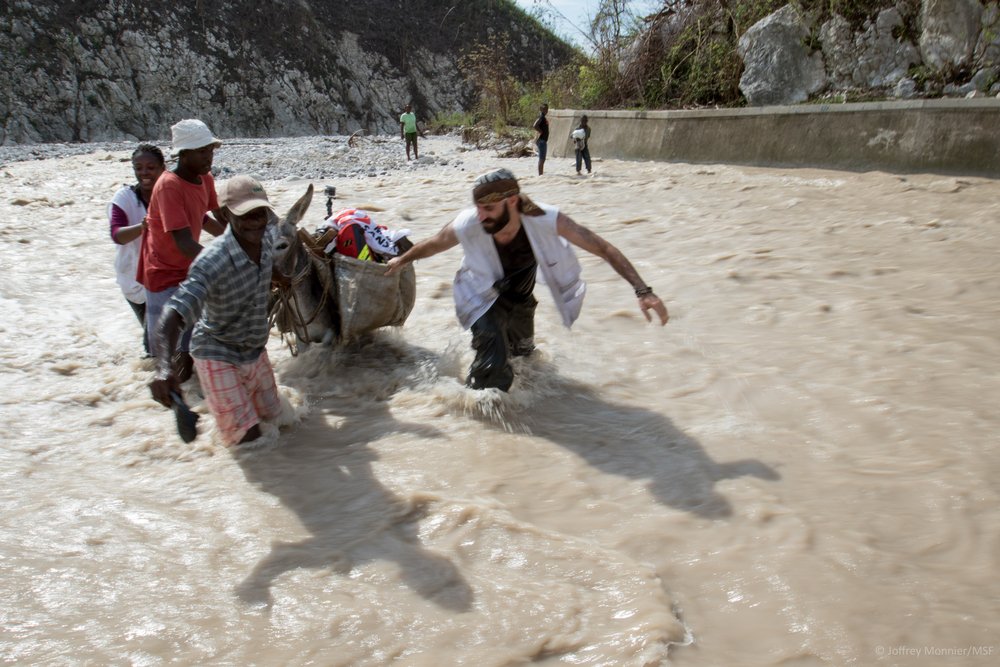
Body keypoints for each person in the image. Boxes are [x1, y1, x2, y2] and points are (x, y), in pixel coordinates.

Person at [385, 168, 668, 392]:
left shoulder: (546, 219)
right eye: (478, 207)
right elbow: (435, 243)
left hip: (520, 297)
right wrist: (402, 259)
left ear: (512, 201)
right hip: (480, 295)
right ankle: (483, 416)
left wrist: (643, 290)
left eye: (489, 209)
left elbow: (603, 248)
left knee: (524, 359)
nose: (481, 215)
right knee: (492, 358)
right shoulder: (469, 222)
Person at [149, 176, 285, 447]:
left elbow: (273, 257)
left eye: (261, 213)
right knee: (251, 444)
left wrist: (279, 276)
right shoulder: (212, 262)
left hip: (254, 349)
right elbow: (173, 313)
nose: (256, 222)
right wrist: (164, 367)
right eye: (246, 215)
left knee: (279, 422)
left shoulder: (269, 235)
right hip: (218, 353)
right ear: (225, 214)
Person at [137, 118, 227, 382]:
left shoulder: (204, 178)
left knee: (193, 341)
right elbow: (184, 243)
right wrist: (227, 260)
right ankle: (172, 390)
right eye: (202, 151)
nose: (209, 156)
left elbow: (210, 218)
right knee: (168, 347)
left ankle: (192, 384)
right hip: (163, 272)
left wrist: (240, 239)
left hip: (188, 269)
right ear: (184, 155)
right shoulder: (168, 186)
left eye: (210, 150)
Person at [108, 143, 166, 355]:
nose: (144, 173)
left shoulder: (170, 195)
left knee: (165, 333)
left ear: (163, 168)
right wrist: (143, 226)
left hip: (166, 275)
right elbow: (117, 235)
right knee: (155, 336)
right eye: (139, 167)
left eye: (150, 168)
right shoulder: (124, 198)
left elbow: (202, 219)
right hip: (134, 277)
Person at [532, 103, 549, 175]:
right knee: (542, 159)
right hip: (541, 141)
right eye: (544, 109)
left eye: (547, 109)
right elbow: (535, 125)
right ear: (541, 109)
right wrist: (540, 131)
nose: (546, 110)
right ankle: (540, 175)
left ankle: (541, 175)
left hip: (543, 140)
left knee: (542, 159)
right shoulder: (541, 117)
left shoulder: (543, 117)